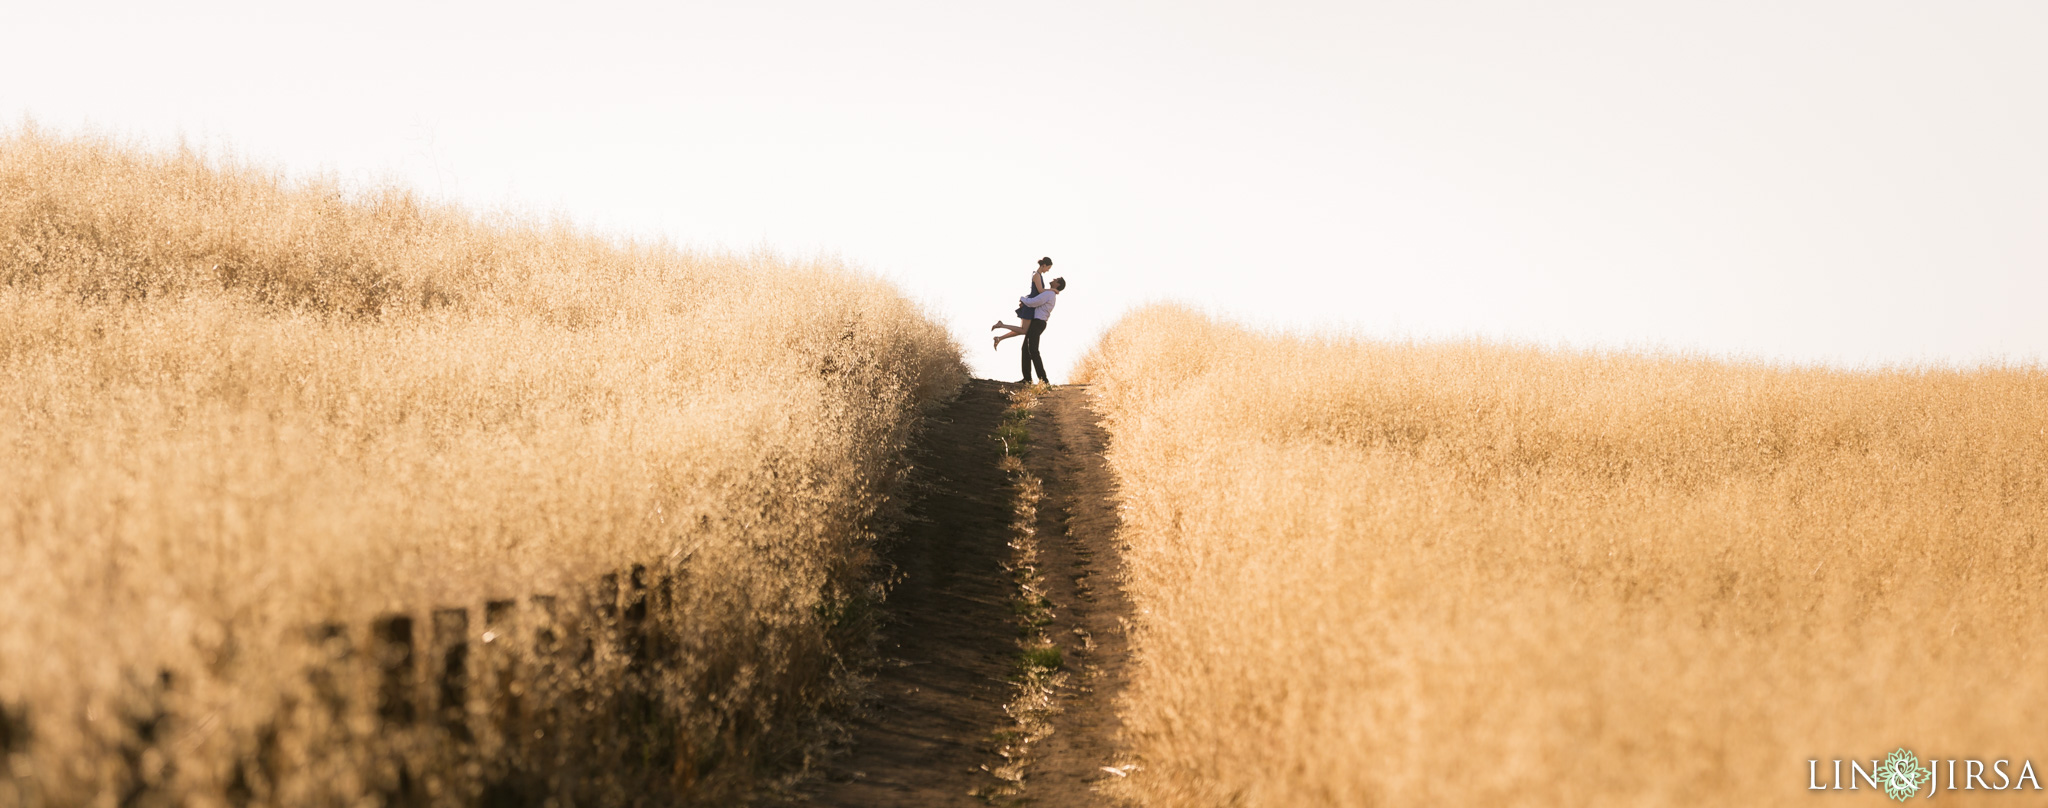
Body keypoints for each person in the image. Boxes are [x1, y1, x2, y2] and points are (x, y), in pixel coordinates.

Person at [992, 257, 1052, 349]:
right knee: (1024, 330)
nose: (1048, 270)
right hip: (1030, 305)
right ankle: (1001, 325)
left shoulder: (1038, 275)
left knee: (1023, 330)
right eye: (1048, 268)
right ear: (1044, 265)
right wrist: (1052, 290)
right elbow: (1040, 290)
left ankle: (999, 338)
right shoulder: (1036, 275)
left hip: (1031, 305)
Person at [1015, 277, 1065, 384]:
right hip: (1037, 322)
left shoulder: (1050, 294)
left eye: (1055, 279)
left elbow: (1034, 302)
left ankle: (1043, 380)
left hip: (1038, 323)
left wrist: (1022, 298)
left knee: (1032, 350)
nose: (1053, 279)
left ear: (1058, 284)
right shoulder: (1050, 292)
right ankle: (1027, 379)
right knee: (1026, 349)